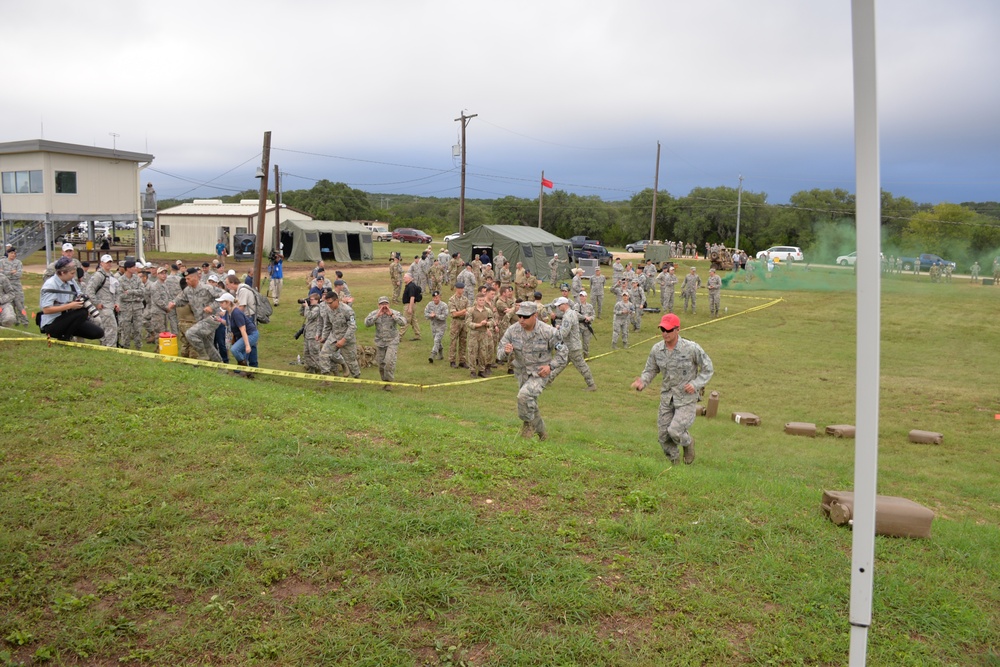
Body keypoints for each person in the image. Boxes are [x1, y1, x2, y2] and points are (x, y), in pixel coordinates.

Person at [631, 313, 714, 465]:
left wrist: (696, 384)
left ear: (677, 330)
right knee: (663, 436)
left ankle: (688, 443)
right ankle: (675, 465)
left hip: (686, 399)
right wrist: (643, 381)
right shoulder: (657, 349)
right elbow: (651, 369)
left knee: (675, 431)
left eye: (668, 330)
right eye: (662, 329)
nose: (665, 333)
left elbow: (708, 368)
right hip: (667, 398)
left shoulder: (691, 348)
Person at [496, 301, 567, 440]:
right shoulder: (513, 330)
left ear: (535, 315)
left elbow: (563, 353)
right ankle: (542, 433)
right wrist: (505, 352)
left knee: (524, 396)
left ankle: (528, 425)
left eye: (525, 316)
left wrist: (550, 367)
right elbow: (499, 353)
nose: (521, 319)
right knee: (530, 403)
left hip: (540, 373)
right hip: (521, 372)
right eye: (519, 316)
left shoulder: (548, 331)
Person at [37, 257, 104, 341]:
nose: (73, 276)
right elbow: (46, 310)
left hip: (69, 319)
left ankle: (71, 332)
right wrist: (70, 306)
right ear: (62, 273)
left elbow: (80, 295)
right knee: (82, 313)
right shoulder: (50, 285)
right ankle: (66, 337)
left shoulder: (71, 282)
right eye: (72, 273)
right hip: (52, 323)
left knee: (98, 332)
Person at [168, 269, 223, 363]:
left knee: (190, 333)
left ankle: (202, 355)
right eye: (185, 279)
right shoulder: (188, 290)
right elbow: (180, 300)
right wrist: (173, 303)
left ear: (195, 278)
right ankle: (221, 367)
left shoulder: (207, 288)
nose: (186, 281)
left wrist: (211, 306)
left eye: (188, 278)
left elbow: (224, 296)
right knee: (208, 345)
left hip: (212, 319)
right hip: (200, 321)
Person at [550, 297, 596, 391]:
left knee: (581, 365)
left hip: (571, 346)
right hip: (571, 345)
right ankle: (548, 380)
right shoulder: (572, 313)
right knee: (561, 363)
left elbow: (564, 333)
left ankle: (591, 384)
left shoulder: (567, 316)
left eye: (559, 306)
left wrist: (555, 330)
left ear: (564, 305)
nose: (558, 308)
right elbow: (579, 320)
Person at [364, 296, 407, 388]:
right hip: (380, 342)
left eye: (386, 304)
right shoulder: (374, 313)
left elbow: (403, 322)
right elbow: (366, 323)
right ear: (378, 305)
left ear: (389, 304)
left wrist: (392, 315)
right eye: (382, 304)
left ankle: (389, 382)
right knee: (381, 364)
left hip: (392, 341)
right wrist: (377, 316)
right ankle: (384, 381)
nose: (384, 306)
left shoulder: (394, 312)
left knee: (389, 362)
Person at [318, 289, 360, 379]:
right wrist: (324, 337)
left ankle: (357, 379)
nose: (329, 305)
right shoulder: (328, 310)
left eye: (330, 303)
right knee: (323, 355)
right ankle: (326, 379)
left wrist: (343, 340)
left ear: (336, 300)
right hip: (334, 337)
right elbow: (328, 325)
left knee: (351, 361)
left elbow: (353, 327)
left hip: (347, 339)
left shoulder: (347, 310)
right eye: (327, 303)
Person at [218, 291, 258, 376]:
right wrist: (219, 320)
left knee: (234, 349)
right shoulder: (229, 313)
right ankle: (247, 372)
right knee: (241, 354)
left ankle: (246, 370)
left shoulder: (236, 313)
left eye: (222, 302)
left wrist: (247, 345)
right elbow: (228, 324)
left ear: (228, 302)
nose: (220, 304)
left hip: (251, 334)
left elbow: (243, 330)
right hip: (244, 335)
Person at [86, 254, 120, 347]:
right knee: (111, 327)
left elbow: (117, 290)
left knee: (107, 328)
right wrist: (96, 303)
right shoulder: (98, 275)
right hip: (104, 307)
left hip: (111, 305)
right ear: (101, 263)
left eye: (110, 262)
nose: (109, 264)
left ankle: (105, 345)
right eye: (106, 262)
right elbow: (89, 290)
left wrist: (117, 303)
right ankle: (111, 346)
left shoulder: (111, 275)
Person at [117, 260, 146, 350]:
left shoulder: (137, 278)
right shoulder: (120, 280)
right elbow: (120, 294)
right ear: (128, 268)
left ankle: (138, 347)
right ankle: (126, 346)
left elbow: (142, 291)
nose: (135, 268)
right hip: (126, 307)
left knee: (138, 328)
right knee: (125, 328)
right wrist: (134, 294)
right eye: (133, 267)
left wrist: (130, 292)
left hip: (137, 307)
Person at [466, 291, 495, 378]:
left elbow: (492, 320)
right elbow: (468, 323)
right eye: (480, 300)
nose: (482, 302)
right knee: (472, 352)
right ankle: (472, 370)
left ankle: (481, 370)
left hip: (484, 334)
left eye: (483, 300)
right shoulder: (471, 310)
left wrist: (487, 324)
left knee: (483, 352)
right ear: (476, 301)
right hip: (474, 334)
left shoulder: (488, 310)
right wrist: (479, 324)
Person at [0, 247, 29, 325]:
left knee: (20, 305)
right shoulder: (2, 262)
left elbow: (19, 274)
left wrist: (7, 272)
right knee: (9, 305)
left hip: (16, 287)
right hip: (6, 288)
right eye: (11, 253)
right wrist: (11, 272)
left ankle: (25, 322)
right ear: (8, 253)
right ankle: (15, 321)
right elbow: (1, 274)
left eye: (14, 253)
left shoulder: (18, 263)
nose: (13, 255)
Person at [447, 282, 469, 368]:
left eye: (463, 288)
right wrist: (463, 311)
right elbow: (454, 314)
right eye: (461, 288)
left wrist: (461, 312)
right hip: (455, 323)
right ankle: (452, 360)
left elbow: (468, 311)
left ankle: (462, 360)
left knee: (463, 341)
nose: (462, 290)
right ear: (457, 289)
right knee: (453, 342)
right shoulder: (452, 300)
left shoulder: (465, 299)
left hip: (464, 322)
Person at [424, 290, 449, 363]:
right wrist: (430, 315)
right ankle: (441, 354)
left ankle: (433, 354)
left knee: (436, 340)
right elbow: (425, 313)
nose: (435, 299)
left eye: (437, 297)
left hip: (441, 326)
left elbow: (445, 316)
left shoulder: (444, 305)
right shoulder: (430, 304)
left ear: (439, 297)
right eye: (434, 298)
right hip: (433, 326)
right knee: (437, 340)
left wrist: (436, 315)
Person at [400, 274, 422, 341]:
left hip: (409, 305)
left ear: (409, 278)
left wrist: (410, 308)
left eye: (405, 277)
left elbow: (412, 297)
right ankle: (418, 335)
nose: (403, 278)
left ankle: (399, 336)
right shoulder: (410, 285)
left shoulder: (411, 286)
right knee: (414, 321)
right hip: (411, 305)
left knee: (405, 320)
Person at [574, 290, 596, 358]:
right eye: (580, 296)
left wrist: (590, 318)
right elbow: (575, 314)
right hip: (579, 326)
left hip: (587, 327)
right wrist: (584, 317)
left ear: (586, 297)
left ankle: (586, 355)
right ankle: (577, 356)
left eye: (583, 296)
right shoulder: (577, 306)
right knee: (577, 342)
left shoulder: (590, 306)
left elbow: (593, 315)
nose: (582, 298)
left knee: (586, 342)